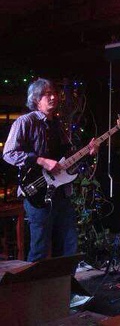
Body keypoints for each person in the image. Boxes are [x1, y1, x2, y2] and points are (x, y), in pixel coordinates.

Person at [3, 78, 97, 262]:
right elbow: (9, 153)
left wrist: (88, 152)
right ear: (36, 99)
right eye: (48, 94)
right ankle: (34, 281)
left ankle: (66, 281)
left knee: (70, 246)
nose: (53, 97)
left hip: (61, 192)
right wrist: (40, 160)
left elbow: (65, 160)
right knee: (40, 248)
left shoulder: (58, 124)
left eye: (54, 93)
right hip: (36, 191)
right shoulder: (25, 122)